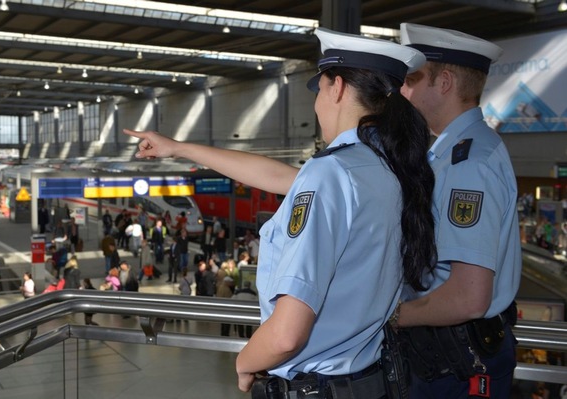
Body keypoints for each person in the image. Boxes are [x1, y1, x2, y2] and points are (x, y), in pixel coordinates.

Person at [123, 26, 436, 398]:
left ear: (336, 88)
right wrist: (179, 148)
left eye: (319, 89)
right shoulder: (383, 169)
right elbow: (275, 175)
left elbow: (288, 334)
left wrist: (245, 362)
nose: (317, 102)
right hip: (369, 379)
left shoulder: (333, 172)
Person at [394, 23, 522, 399]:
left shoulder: (469, 164)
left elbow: (469, 296)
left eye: (412, 80)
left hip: (456, 365)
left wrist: (388, 317)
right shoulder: (452, 154)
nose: (402, 90)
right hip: (445, 357)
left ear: (445, 82)